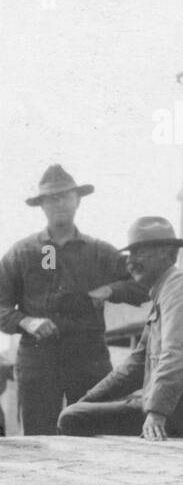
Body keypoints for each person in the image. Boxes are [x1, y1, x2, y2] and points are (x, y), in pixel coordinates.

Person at [57, 217, 183, 440]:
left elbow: (180, 352)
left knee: (71, 418)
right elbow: (136, 364)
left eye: (140, 253)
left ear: (170, 255)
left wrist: (156, 413)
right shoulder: (165, 291)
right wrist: (88, 399)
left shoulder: (178, 287)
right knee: (78, 411)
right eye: (130, 254)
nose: (131, 262)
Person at [0, 165, 149, 434]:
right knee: (39, 437)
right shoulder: (21, 253)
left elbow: (143, 285)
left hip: (88, 357)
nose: (58, 203)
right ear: (41, 205)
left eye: (64, 196)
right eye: (50, 198)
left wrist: (110, 290)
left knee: (95, 432)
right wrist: (26, 321)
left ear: (77, 200)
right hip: (38, 358)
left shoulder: (100, 252)